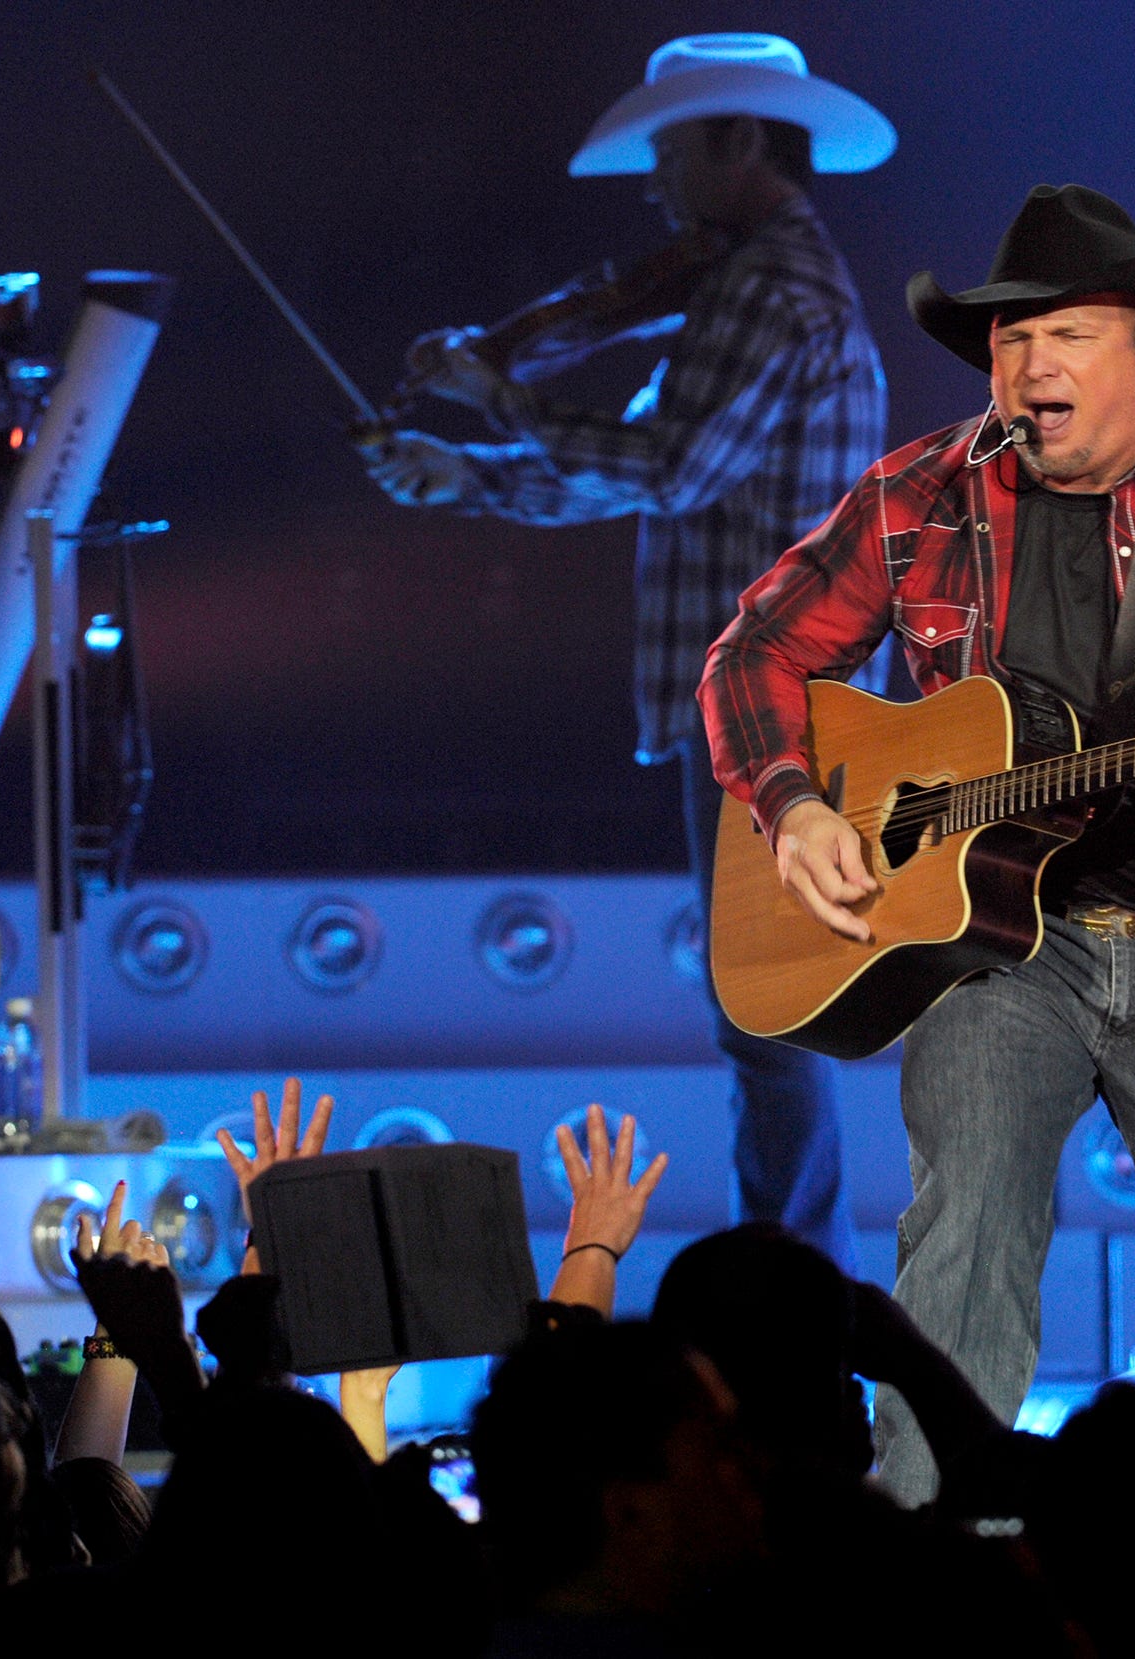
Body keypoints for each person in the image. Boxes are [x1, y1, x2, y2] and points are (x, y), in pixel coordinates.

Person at [701, 183, 1135, 1500]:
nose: (1027, 365)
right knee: (960, 1241)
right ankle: (916, 1555)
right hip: (995, 957)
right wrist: (797, 803)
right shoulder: (923, 491)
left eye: (1061, 333)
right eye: (1007, 340)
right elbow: (754, 653)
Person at [365, 33, 894, 1268]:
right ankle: (798, 1285)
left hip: (781, 722)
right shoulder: (748, 284)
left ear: (740, 142)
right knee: (763, 1018)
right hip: (776, 715)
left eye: (670, 149)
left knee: (768, 1018)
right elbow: (658, 472)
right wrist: (469, 473)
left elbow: (668, 465)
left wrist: (497, 403)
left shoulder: (771, 289)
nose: (656, 183)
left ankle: (798, 1292)